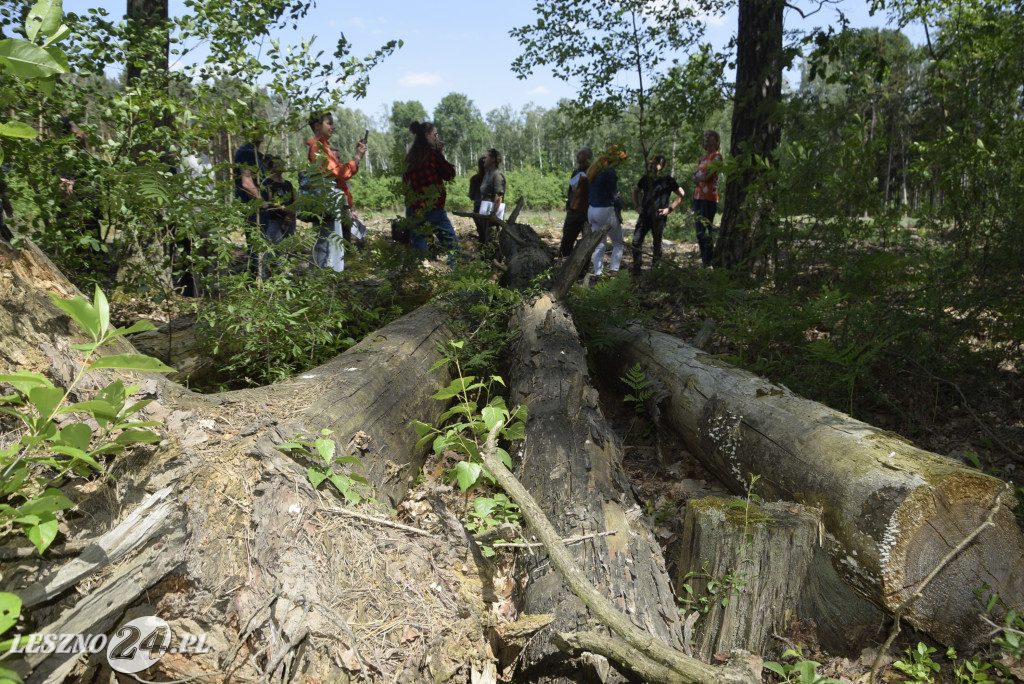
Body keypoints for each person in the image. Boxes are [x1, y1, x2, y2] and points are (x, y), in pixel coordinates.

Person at [306, 111, 366, 271]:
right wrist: (357, 158)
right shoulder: (318, 148)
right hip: (326, 204)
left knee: (330, 244)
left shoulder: (323, 147)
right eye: (329, 123)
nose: (333, 126)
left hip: (329, 204)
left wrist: (357, 158)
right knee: (327, 245)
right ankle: (323, 284)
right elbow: (338, 173)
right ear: (318, 126)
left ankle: (327, 283)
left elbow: (338, 173)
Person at [402, 121, 458, 261]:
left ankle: (419, 276)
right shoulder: (433, 156)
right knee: (451, 244)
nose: (436, 138)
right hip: (433, 208)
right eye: (434, 135)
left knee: (419, 244)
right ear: (426, 135)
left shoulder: (409, 158)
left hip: (414, 209)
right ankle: (455, 274)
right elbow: (450, 174)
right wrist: (440, 153)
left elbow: (404, 183)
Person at [631, 154, 686, 275]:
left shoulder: (668, 180)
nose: (651, 165)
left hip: (659, 217)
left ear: (660, 166)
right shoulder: (645, 178)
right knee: (636, 241)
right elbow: (635, 191)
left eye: (654, 163)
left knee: (657, 243)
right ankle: (636, 267)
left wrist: (670, 209)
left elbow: (681, 194)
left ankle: (655, 270)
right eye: (650, 163)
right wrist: (637, 206)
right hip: (644, 215)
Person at [587, 144, 627, 278]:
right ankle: (613, 273)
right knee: (618, 243)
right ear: (615, 158)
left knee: (599, 244)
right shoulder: (609, 171)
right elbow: (613, 195)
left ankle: (598, 274)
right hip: (605, 210)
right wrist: (618, 202)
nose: (620, 164)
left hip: (592, 210)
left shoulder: (594, 169)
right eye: (620, 161)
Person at [255, 154, 296, 278]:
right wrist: (285, 211)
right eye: (276, 163)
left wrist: (291, 212)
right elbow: (270, 201)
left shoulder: (288, 183)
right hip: (275, 220)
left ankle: (284, 275)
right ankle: (266, 276)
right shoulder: (268, 183)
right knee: (273, 248)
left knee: (287, 248)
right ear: (271, 167)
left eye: (281, 163)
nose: (280, 165)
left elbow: (295, 199)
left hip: (289, 220)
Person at [233, 130, 266, 276]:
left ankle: (259, 280)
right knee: (257, 247)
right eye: (256, 128)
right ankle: (257, 282)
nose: (261, 131)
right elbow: (246, 183)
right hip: (255, 208)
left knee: (260, 246)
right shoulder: (246, 152)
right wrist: (261, 202)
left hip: (259, 208)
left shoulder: (255, 153)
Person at [693, 129, 723, 267]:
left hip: (709, 197)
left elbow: (707, 176)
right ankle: (705, 260)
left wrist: (700, 177)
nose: (707, 138)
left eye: (710, 136)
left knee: (706, 229)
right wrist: (700, 177)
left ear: (716, 141)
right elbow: (696, 177)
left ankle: (709, 261)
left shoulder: (717, 156)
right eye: (705, 136)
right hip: (698, 196)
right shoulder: (702, 158)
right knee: (699, 230)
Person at [559, 147, 592, 258]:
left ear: (588, 156)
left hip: (587, 213)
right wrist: (568, 207)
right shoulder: (576, 172)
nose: (577, 156)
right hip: (573, 211)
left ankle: (582, 270)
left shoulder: (593, 171)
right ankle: (562, 265)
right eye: (577, 154)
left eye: (580, 154)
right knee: (566, 240)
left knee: (586, 243)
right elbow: (570, 191)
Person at [478, 148, 506, 245]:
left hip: (492, 216)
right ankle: (486, 259)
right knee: (485, 240)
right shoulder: (488, 174)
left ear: (493, 159)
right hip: (485, 214)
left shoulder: (497, 175)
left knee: (492, 241)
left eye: (486, 157)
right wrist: (482, 215)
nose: (484, 160)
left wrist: (492, 215)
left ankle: (492, 259)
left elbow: (498, 197)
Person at [468, 156, 487, 244]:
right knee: (493, 234)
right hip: (493, 207)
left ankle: (483, 254)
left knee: (482, 235)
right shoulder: (495, 177)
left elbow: (471, 196)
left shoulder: (474, 179)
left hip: (478, 207)